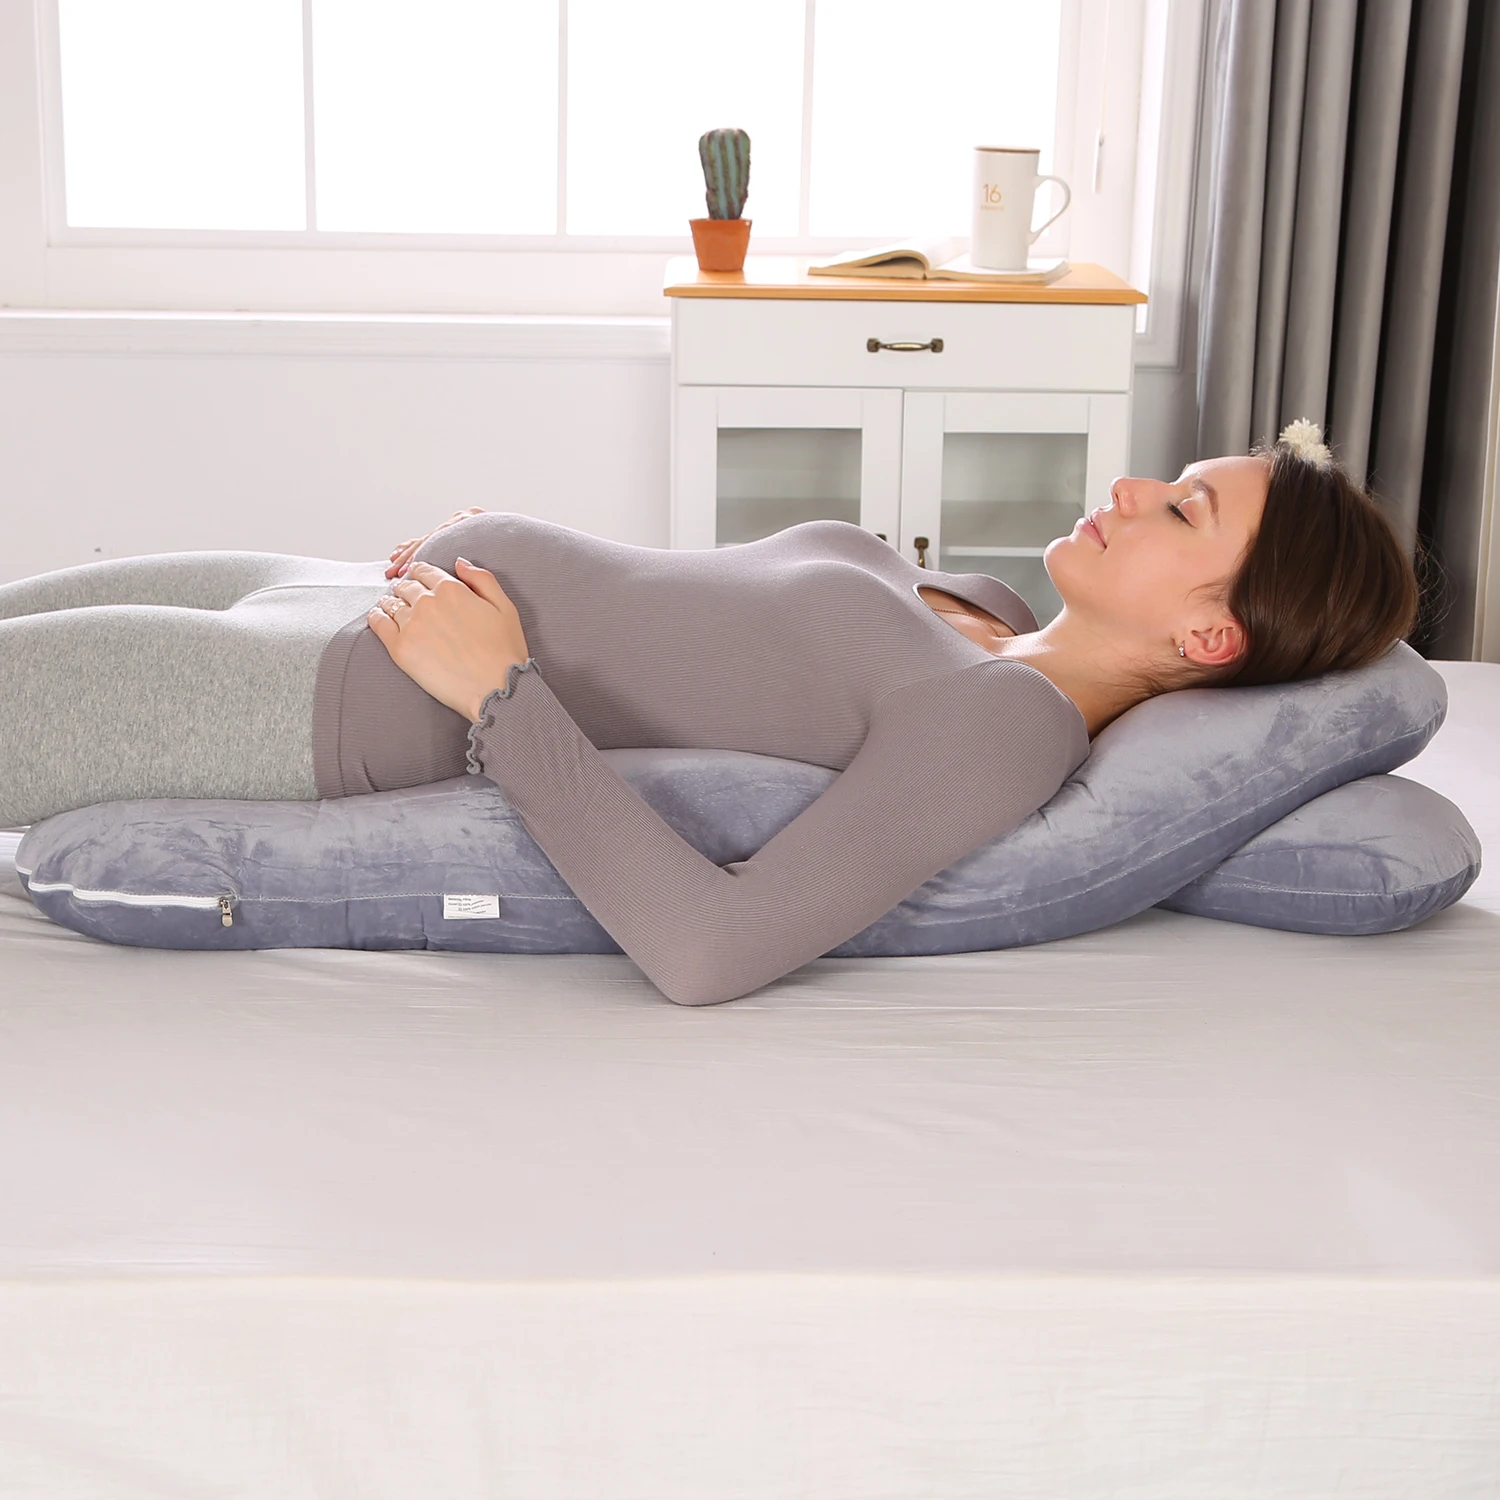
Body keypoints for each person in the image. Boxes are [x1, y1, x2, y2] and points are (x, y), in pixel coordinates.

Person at [0, 421, 1421, 1005]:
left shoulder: (1011, 725)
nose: (1130, 489)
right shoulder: (987, 608)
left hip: (299, 700)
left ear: (1209, 636)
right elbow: (692, 623)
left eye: (1182, 510)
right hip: (313, 593)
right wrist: (505, 560)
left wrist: (497, 686)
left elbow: (709, 948)